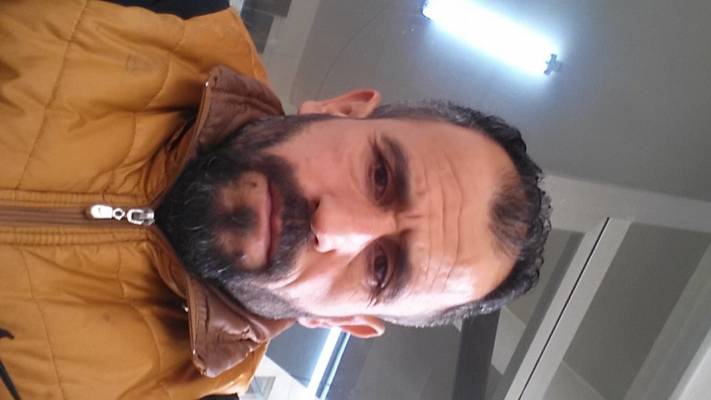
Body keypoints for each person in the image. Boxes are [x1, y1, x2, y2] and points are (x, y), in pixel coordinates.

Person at [0, 0, 551, 399]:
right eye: (379, 174)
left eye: (381, 267)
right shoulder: (165, 14)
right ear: (340, 110)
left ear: (347, 320)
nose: (333, 225)